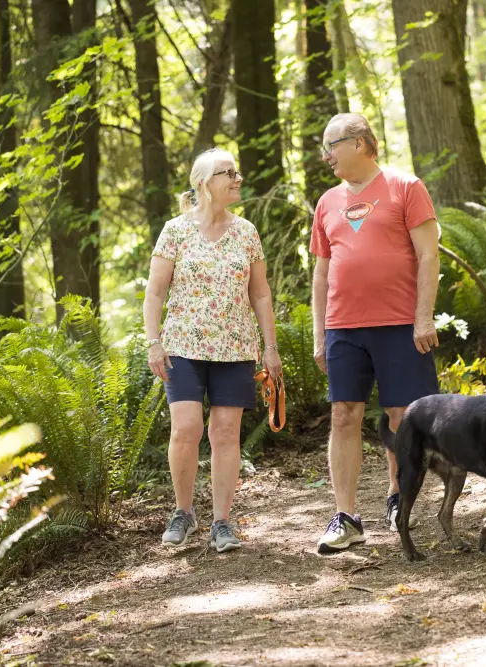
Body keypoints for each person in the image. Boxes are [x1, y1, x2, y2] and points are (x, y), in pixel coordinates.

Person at [310, 113, 441, 554]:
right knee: (343, 415)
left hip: (400, 324)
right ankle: (345, 516)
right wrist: (318, 333)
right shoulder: (327, 202)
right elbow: (322, 271)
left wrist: (424, 317)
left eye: (331, 145)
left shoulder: (407, 188)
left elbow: (428, 256)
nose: (325, 155)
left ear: (362, 143)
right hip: (344, 327)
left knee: (402, 416)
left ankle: (396, 497)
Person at [144, 147, 282, 553]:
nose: (237, 179)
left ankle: (222, 521)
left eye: (236, 173)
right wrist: (154, 342)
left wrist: (270, 348)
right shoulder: (175, 230)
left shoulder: (246, 232)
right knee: (185, 428)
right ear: (205, 184)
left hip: (236, 348)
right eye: (229, 173)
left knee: (225, 433)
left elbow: (260, 296)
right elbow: (154, 292)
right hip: (183, 346)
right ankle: (183, 512)